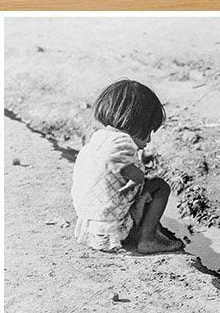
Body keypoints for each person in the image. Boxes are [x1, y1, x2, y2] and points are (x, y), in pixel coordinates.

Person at [70, 79, 183, 255]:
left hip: (90, 226)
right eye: (148, 133)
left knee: (138, 192)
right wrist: (138, 179)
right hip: (116, 229)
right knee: (159, 186)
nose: (149, 141)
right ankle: (147, 238)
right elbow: (123, 168)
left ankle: (149, 229)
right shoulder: (123, 142)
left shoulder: (98, 139)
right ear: (137, 124)